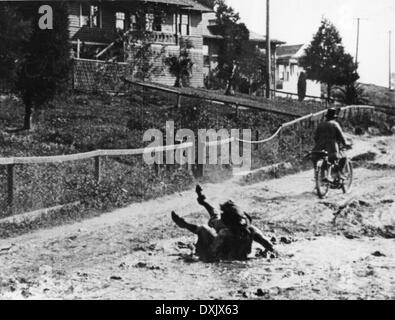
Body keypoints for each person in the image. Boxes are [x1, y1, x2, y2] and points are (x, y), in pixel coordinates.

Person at [171, 185, 275, 262]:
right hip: (232, 253)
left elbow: (209, 255)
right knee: (209, 223)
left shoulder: (227, 233)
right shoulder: (249, 230)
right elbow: (270, 247)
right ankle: (197, 209)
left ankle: (186, 222)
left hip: (224, 254)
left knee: (203, 228)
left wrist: (195, 253)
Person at [312, 108, 352, 179]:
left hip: (319, 147)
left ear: (327, 117)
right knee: (343, 157)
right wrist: (346, 143)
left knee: (318, 157)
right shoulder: (335, 124)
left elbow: (315, 138)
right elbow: (341, 136)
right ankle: (338, 173)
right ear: (334, 117)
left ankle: (320, 176)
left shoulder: (320, 125)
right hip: (332, 147)